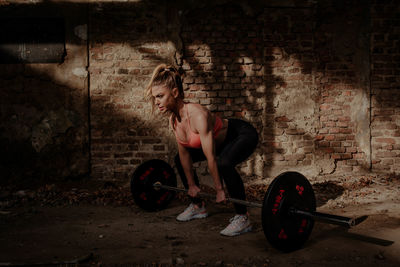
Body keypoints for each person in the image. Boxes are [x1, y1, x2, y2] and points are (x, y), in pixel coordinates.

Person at [145, 64, 258, 236]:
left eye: (160, 96)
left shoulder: (198, 115)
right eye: (155, 97)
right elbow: (184, 156)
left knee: (224, 162)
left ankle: (243, 217)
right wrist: (191, 186)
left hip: (241, 134)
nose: (157, 101)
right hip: (220, 144)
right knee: (178, 159)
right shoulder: (174, 121)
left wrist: (219, 189)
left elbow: (211, 157)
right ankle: (198, 206)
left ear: (175, 93)